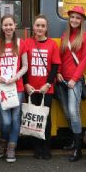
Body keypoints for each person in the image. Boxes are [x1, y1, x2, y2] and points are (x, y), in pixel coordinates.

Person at [56, 6, 86, 162]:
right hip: (61, 79)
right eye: (72, 17)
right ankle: (74, 140)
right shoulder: (65, 35)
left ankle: (78, 149)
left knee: (73, 112)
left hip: (73, 81)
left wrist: (74, 79)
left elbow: (84, 60)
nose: (75, 20)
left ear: (82, 20)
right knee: (66, 111)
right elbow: (60, 57)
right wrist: (57, 72)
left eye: (78, 18)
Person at [23, 14, 61, 160]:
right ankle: (37, 148)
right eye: (37, 25)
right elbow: (23, 65)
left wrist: (48, 84)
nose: (40, 28)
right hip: (31, 88)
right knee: (33, 118)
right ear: (33, 27)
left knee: (46, 118)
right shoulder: (27, 43)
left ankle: (46, 148)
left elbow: (55, 66)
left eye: (42, 26)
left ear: (46, 28)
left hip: (46, 89)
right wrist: (26, 83)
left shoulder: (52, 44)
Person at [0, 15, 28, 163]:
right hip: (1, 87)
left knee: (15, 119)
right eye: (5, 25)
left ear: (15, 25)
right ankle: (2, 142)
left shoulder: (21, 43)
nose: (8, 27)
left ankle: (11, 148)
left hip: (16, 87)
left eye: (10, 25)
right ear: (2, 27)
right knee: (6, 121)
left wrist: (17, 76)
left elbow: (25, 65)